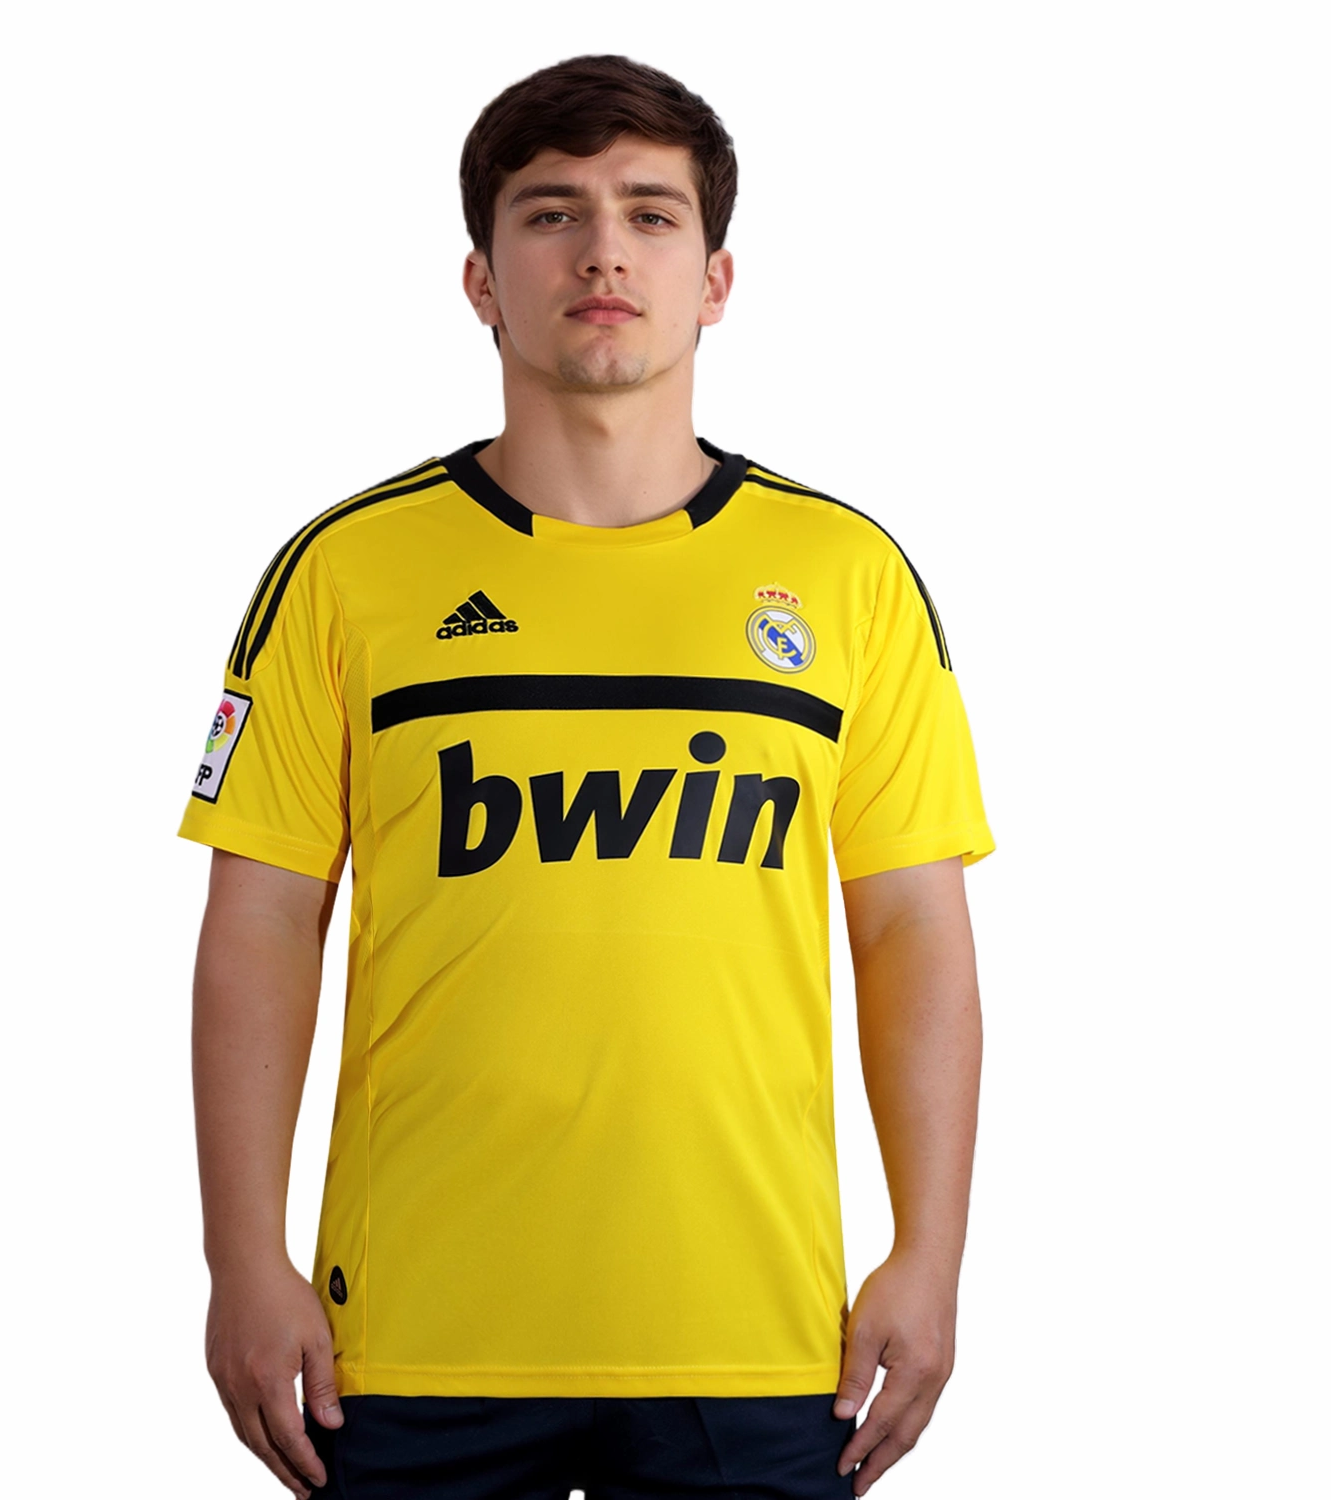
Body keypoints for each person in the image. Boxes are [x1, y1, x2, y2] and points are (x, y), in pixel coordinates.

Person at [179, 53, 992, 1500]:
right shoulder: (344, 573)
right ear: (482, 280)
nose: (604, 252)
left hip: (758, 1337)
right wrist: (242, 1261)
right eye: (551, 213)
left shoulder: (849, 575)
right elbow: (262, 923)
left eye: (650, 215)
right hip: (409, 1341)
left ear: (716, 280)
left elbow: (910, 926)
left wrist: (930, 1254)